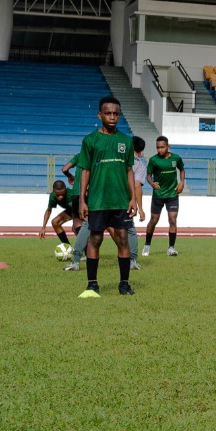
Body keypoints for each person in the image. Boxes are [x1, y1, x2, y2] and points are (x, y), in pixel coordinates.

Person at [72, 96, 140, 297]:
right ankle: (92, 284)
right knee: (95, 239)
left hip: (120, 200)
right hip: (98, 200)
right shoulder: (90, 140)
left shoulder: (126, 141)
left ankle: (124, 284)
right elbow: (85, 171)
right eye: (108, 113)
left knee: (122, 239)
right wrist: (83, 200)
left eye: (116, 114)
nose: (112, 117)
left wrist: (133, 198)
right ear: (99, 115)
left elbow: (129, 170)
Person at [143, 135, 186, 257]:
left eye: (162, 147)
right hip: (158, 194)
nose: (159, 150)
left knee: (172, 220)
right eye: (157, 147)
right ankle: (147, 245)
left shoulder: (176, 158)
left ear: (168, 146)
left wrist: (182, 182)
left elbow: (182, 169)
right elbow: (148, 175)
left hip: (172, 194)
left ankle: (171, 248)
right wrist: (152, 183)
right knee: (153, 221)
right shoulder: (153, 160)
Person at [39, 179, 80, 248]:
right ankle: (68, 248)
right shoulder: (52, 197)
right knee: (55, 222)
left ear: (65, 190)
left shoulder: (72, 193)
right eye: (58, 195)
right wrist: (43, 227)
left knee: (75, 228)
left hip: (82, 209)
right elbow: (48, 210)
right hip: (71, 210)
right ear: (54, 191)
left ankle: (88, 252)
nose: (60, 196)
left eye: (63, 194)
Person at [126, 136, 147, 271]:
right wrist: (140, 208)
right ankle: (132, 260)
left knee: (93, 228)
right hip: (124, 202)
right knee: (130, 230)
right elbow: (137, 185)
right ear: (141, 151)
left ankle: (77, 258)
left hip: (104, 197)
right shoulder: (139, 164)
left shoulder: (115, 156)